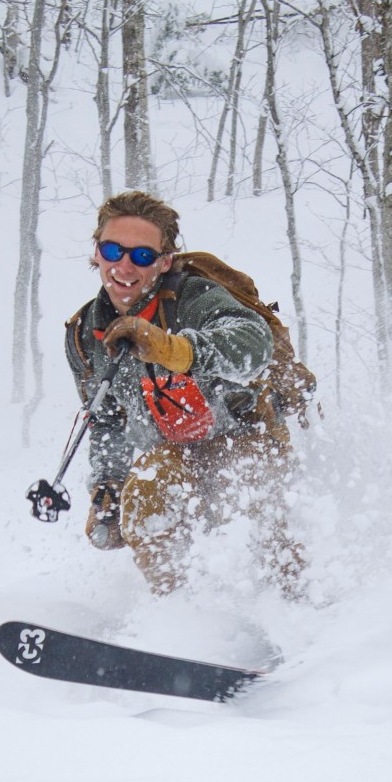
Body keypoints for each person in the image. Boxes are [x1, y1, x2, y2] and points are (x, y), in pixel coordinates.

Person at [65, 190, 304, 598]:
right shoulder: (86, 333)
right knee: (144, 492)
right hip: (173, 457)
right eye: (112, 250)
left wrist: (172, 349)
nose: (124, 265)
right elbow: (105, 419)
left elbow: (253, 345)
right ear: (97, 253)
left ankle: (296, 608)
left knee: (252, 493)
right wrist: (107, 486)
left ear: (164, 261)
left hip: (245, 440)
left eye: (141, 256)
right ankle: (184, 618)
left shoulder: (194, 299)